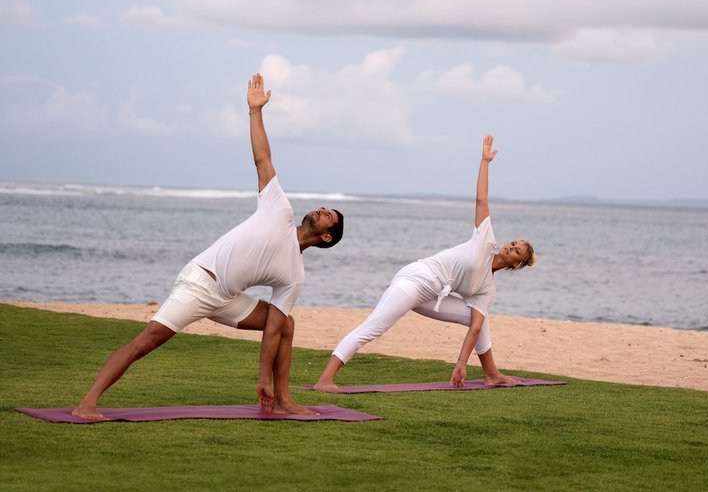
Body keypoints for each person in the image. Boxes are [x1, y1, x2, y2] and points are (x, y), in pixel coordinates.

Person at [72, 73, 344, 420]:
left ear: (325, 238)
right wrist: (255, 111)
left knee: (286, 324)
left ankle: (283, 399)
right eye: (323, 208)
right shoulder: (280, 209)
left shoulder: (294, 275)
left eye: (328, 217)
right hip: (201, 281)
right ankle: (87, 404)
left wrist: (263, 379)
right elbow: (263, 159)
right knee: (147, 342)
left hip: (228, 299)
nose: (321, 210)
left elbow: (274, 328)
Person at [314, 134, 535, 392]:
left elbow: (474, 327)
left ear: (516, 265)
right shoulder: (486, 242)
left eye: (516, 250)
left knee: (480, 318)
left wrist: (461, 363)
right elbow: (481, 201)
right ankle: (325, 379)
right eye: (513, 242)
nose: (510, 246)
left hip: (433, 297)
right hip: (416, 280)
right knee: (375, 326)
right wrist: (485, 162)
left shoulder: (487, 288)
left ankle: (491, 374)